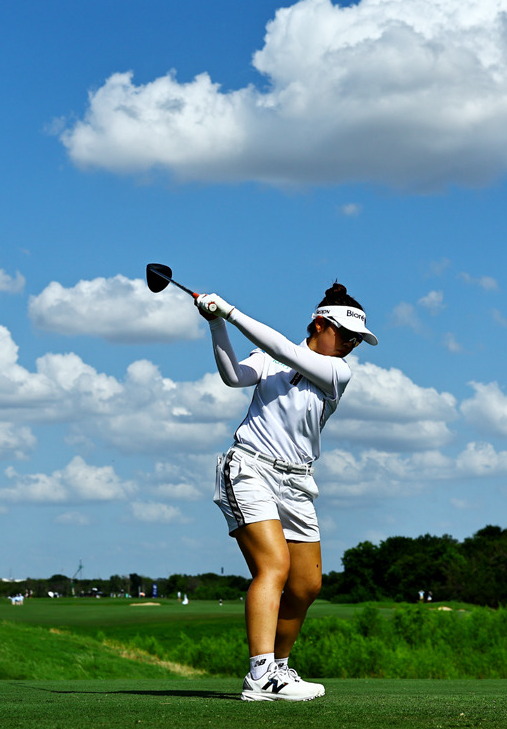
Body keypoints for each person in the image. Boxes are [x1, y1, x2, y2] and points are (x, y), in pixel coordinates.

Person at [196, 283, 377, 702]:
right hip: (249, 468)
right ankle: (260, 675)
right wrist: (216, 326)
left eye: (357, 341)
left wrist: (228, 310)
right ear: (319, 324)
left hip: (297, 482)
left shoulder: (337, 372)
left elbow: (281, 350)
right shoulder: (271, 359)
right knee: (273, 567)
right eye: (346, 337)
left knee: (306, 585)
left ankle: (279, 668)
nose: (352, 346)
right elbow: (233, 376)